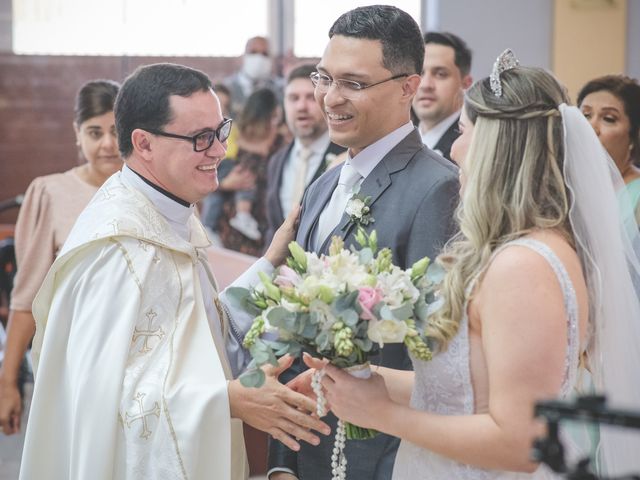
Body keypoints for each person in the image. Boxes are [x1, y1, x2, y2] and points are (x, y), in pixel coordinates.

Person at [304, 51, 640, 478]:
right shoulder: (515, 252)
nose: (455, 149)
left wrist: (380, 413)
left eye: (463, 132)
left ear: (495, 147)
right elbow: (464, 389)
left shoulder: (524, 267)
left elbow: (521, 443)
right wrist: (362, 380)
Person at [18, 63, 330, 480]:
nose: (220, 151)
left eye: (221, 131)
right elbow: (100, 399)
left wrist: (269, 262)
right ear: (144, 144)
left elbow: (198, 329)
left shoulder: (167, 214)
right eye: (202, 138)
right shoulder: (116, 249)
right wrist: (227, 402)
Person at [268, 6, 459, 480]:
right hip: (307, 448)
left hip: (381, 460)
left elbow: (433, 360)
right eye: (324, 78)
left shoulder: (438, 189)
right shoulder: (324, 185)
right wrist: (282, 464)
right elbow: (296, 333)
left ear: (407, 87)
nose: (328, 99)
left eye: (353, 83)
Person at [0, 79, 122, 436]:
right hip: (73, 363)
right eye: (94, 132)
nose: (108, 144)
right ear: (77, 133)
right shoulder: (50, 193)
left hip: (144, 366)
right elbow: (26, 299)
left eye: (116, 131)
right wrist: (8, 383)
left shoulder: (152, 191)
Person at [265, 63, 346, 245]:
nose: (301, 106)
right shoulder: (276, 161)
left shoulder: (348, 157)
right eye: (293, 98)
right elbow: (273, 229)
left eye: (310, 97)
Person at [217, 88, 286, 254]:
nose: (273, 124)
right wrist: (225, 184)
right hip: (233, 229)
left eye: (277, 118)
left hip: (268, 229)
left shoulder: (282, 144)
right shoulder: (234, 142)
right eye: (271, 117)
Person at [577, 75, 640, 225]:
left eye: (608, 119)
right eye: (586, 115)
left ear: (634, 135)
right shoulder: (569, 186)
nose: (591, 127)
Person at [412, 32, 472, 161]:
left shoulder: (472, 146)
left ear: (466, 83)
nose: (425, 85)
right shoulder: (397, 141)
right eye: (419, 73)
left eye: (440, 74)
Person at [224, 36, 284, 119]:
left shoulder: (280, 90)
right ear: (243, 56)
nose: (259, 58)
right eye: (253, 52)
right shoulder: (226, 88)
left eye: (265, 54)